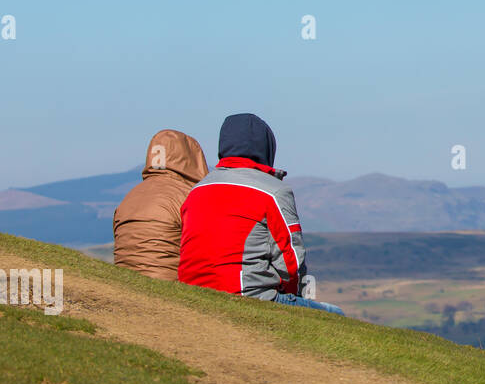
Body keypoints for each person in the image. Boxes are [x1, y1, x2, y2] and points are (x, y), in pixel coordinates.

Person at [179, 113, 342, 314]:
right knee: (336, 315)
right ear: (267, 148)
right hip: (247, 296)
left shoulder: (197, 190)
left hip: (190, 293)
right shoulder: (273, 191)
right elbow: (291, 261)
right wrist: (295, 296)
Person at [113, 129, 210, 280]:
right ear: (192, 159)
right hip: (171, 283)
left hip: (125, 282)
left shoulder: (130, 196)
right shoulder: (188, 197)